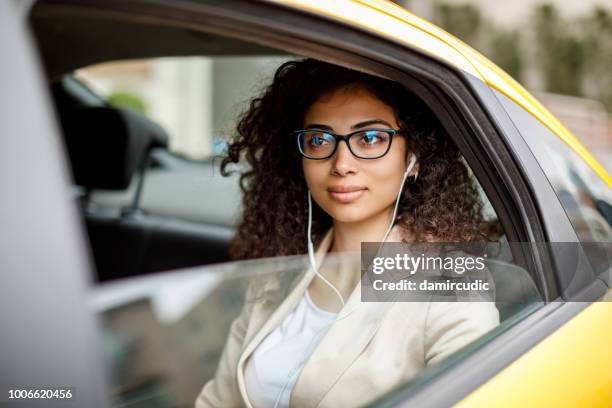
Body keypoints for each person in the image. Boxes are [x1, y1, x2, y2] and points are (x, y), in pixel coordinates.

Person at [196, 58, 499, 408]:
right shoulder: (278, 273)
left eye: (370, 138)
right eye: (319, 140)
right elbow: (217, 401)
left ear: (413, 156)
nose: (341, 165)